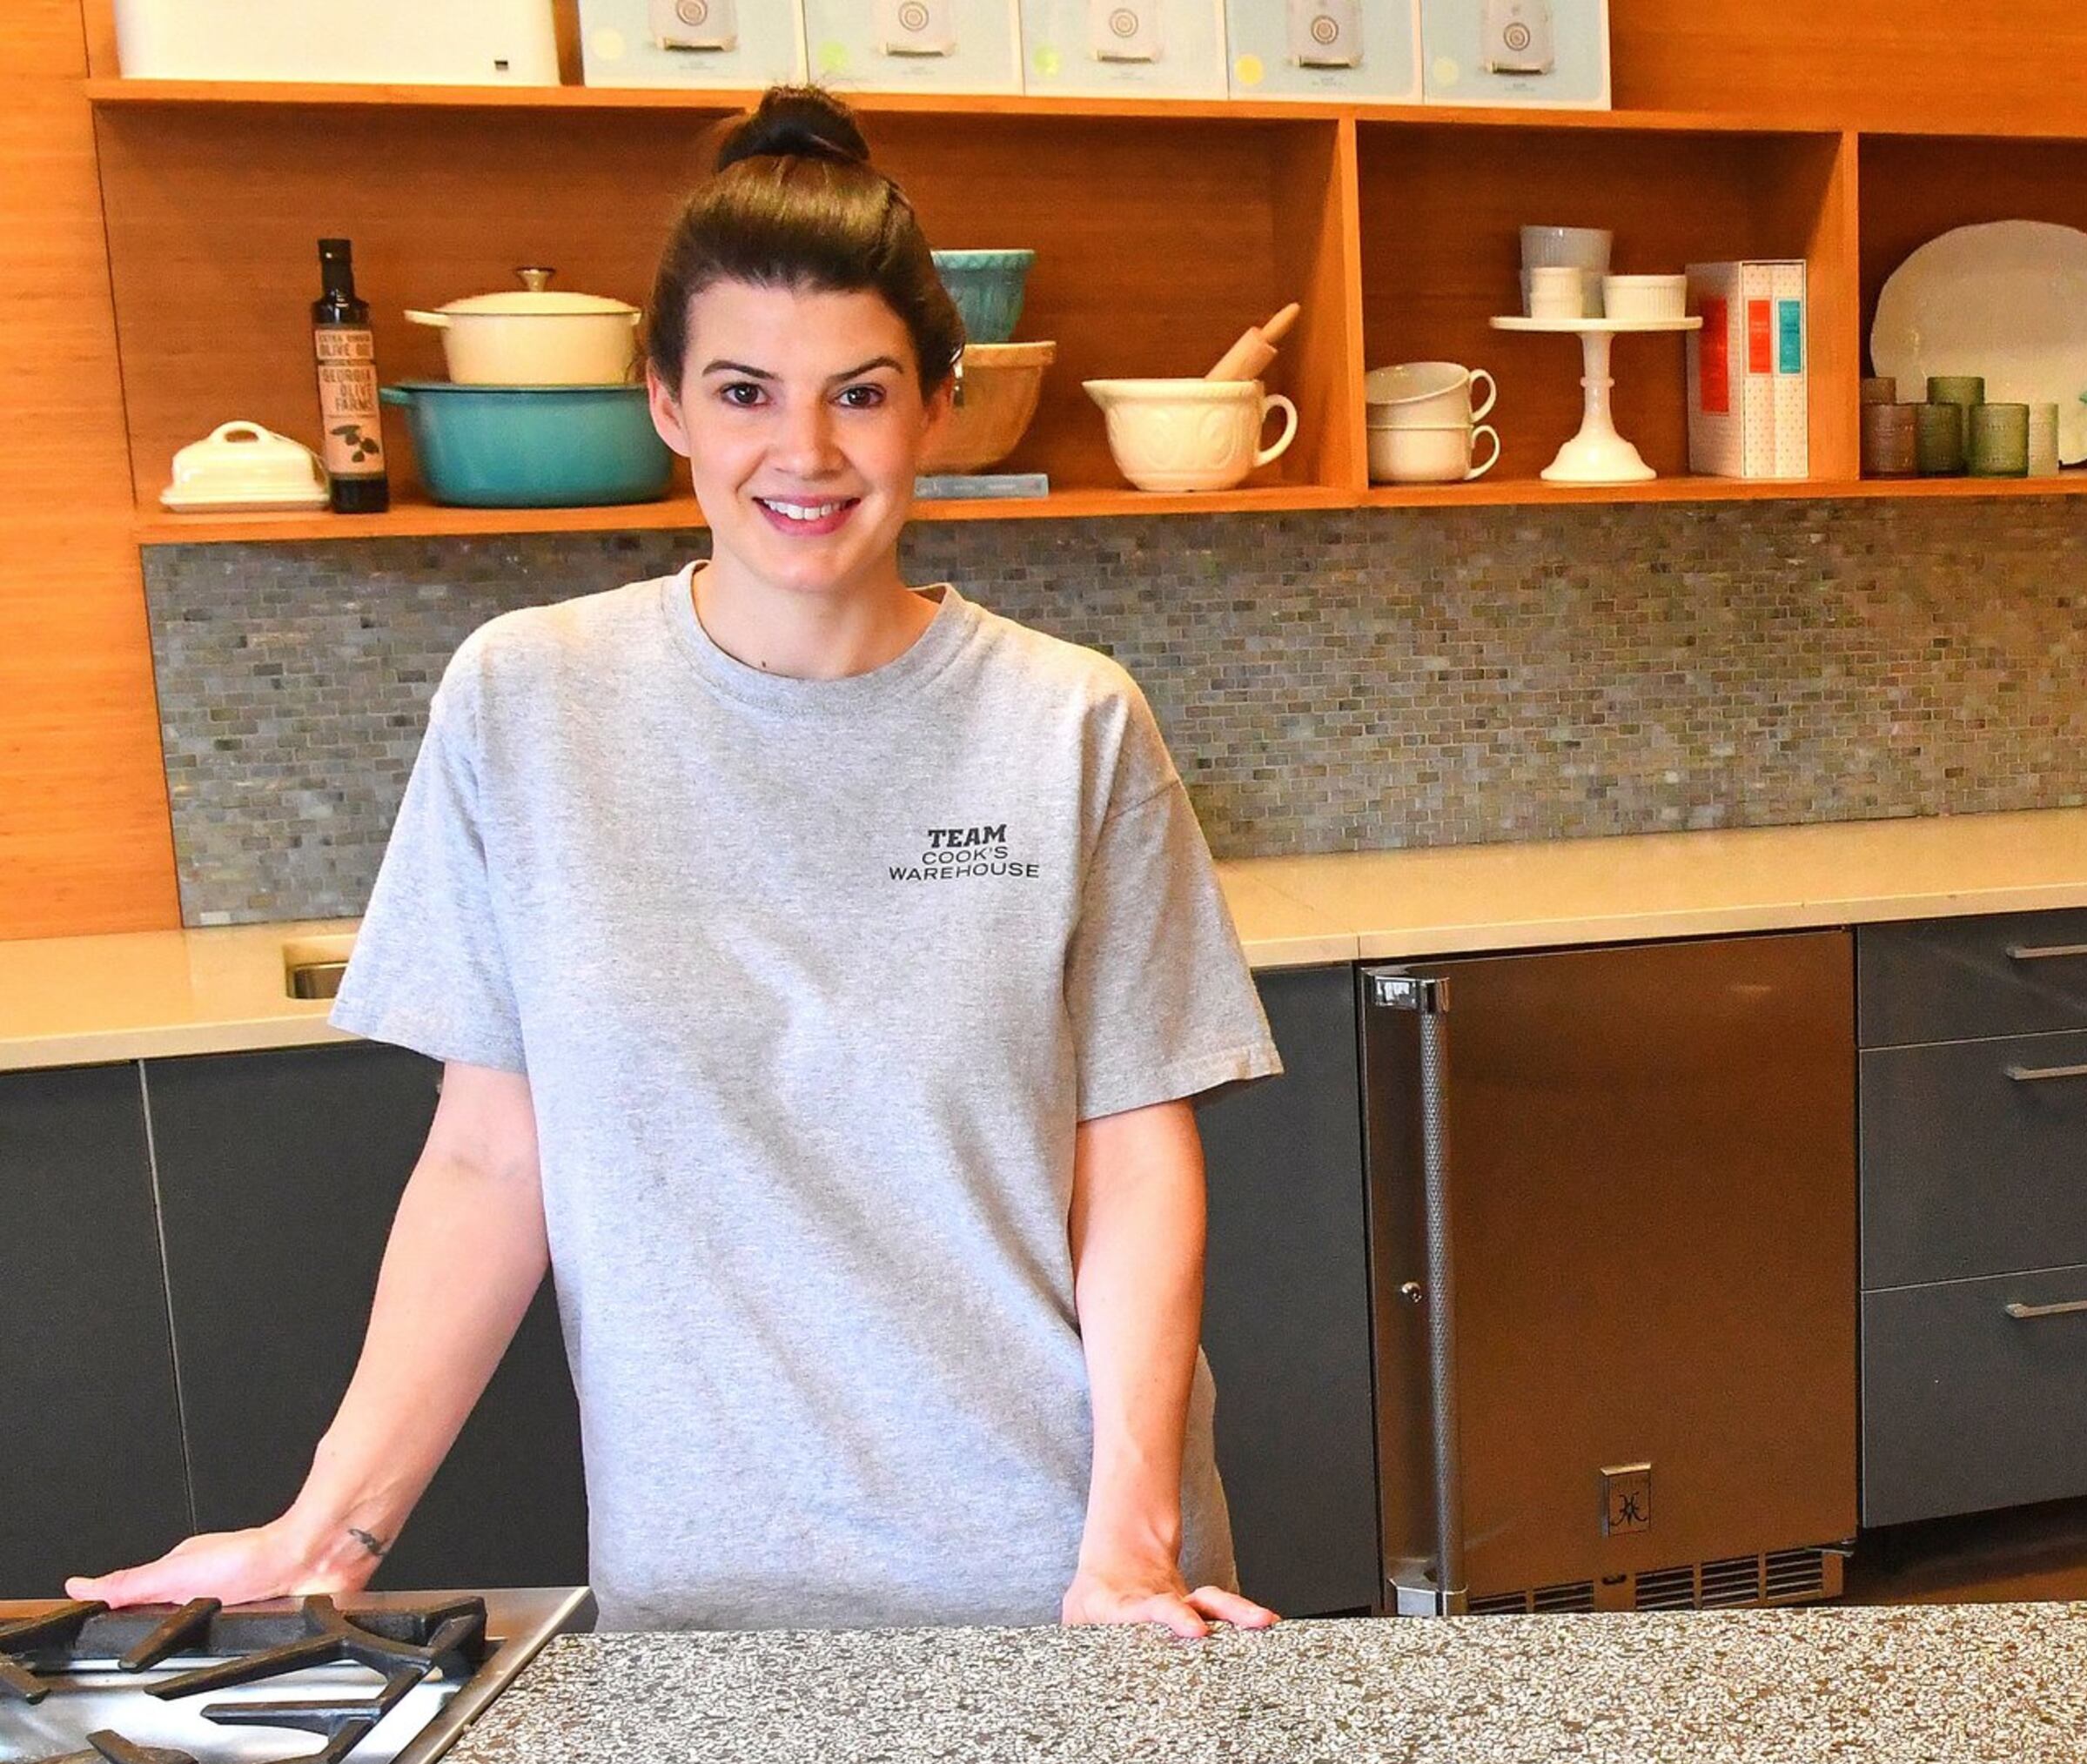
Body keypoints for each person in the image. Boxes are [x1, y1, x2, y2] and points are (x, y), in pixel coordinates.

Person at [70, 86, 1284, 1638]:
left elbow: (1133, 1161)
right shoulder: (526, 704)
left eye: (860, 393)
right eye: (744, 391)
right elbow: (492, 1158)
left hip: (1056, 1584)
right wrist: (330, 1525)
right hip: (703, 1599)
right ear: (664, 400)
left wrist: (1129, 1542)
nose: (804, 452)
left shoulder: (1069, 724)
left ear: (935, 401)